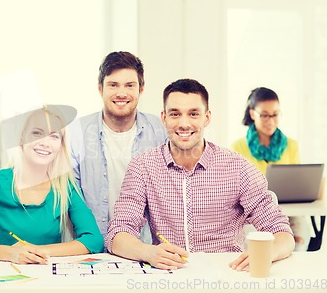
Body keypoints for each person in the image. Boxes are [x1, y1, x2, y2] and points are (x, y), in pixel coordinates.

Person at [106, 78, 295, 271]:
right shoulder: (143, 166)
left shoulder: (237, 167)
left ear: (207, 117)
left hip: (227, 276)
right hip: (170, 278)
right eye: (175, 114)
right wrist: (148, 253)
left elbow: (282, 233)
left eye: (193, 114)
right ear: (164, 118)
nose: (184, 123)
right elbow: (117, 234)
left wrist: (266, 253)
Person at [0, 105, 104, 264]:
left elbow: (93, 240)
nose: (45, 142)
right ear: (21, 138)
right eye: (36, 133)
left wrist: (38, 251)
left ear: (61, 146)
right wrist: (11, 253)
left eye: (54, 136)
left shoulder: (65, 186)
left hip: (46, 277)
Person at [69, 51, 166, 241]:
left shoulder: (161, 132)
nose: (121, 93)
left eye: (130, 85)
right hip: (92, 247)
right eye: (113, 85)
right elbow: (71, 197)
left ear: (141, 89)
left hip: (145, 247)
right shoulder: (76, 132)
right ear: (100, 89)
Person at [231, 87, 314, 251]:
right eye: (264, 115)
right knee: (258, 246)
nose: (270, 120)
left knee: (298, 239)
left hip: (289, 213)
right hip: (253, 216)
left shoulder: (291, 145)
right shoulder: (237, 147)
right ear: (253, 113)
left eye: (275, 114)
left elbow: (297, 183)